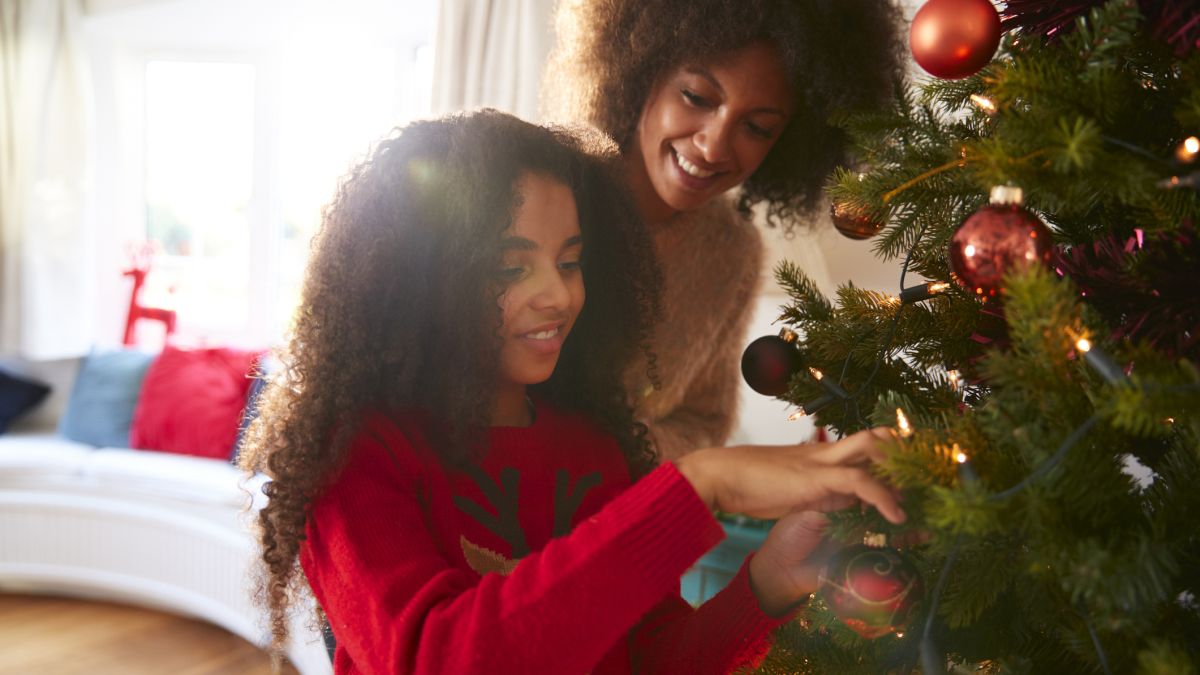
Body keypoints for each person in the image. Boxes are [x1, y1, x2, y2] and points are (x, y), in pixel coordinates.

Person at [237, 109, 905, 674]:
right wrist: (695, 485)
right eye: (510, 265)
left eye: (569, 261)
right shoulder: (356, 453)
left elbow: (651, 659)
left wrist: (766, 582)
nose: (557, 294)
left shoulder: (591, 443)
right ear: (419, 282)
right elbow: (438, 656)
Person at [543, 0, 906, 460]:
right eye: (696, 97)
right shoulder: (545, 192)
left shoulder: (731, 252)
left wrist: (614, 456)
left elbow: (701, 424)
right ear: (640, 65)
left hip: (621, 512)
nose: (714, 146)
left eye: (756, 127)